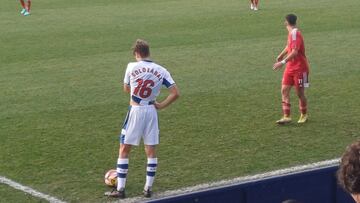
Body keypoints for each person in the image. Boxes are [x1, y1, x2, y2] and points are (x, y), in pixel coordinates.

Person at [104, 39, 180, 199]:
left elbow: (126, 89)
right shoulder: (161, 70)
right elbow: (175, 93)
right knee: (151, 151)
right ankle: (148, 188)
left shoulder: (131, 66)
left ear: (136, 53)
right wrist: (161, 105)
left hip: (136, 111)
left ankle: (121, 189)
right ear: (148, 52)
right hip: (152, 111)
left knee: (124, 149)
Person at [273, 14, 310, 124]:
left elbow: (294, 51)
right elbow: (288, 46)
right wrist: (281, 55)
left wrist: (282, 62)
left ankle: (304, 114)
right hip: (290, 68)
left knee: (300, 93)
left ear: (286, 22)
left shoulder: (295, 33)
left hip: (301, 69)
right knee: (284, 90)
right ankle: (286, 116)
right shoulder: (291, 33)